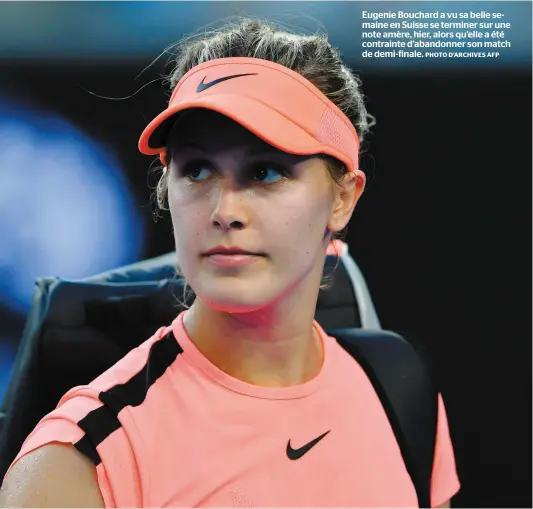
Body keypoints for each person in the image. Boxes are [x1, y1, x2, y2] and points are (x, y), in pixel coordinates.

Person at [0, 18, 460, 508]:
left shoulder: (398, 386)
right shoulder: (73, 465)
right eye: (197, 170)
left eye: (265, 172)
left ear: (343, 199)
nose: (224, 212)